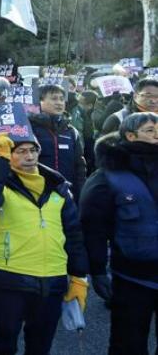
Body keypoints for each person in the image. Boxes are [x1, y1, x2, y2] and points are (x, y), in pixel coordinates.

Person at [0, 134, 89, 355]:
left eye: (33, 150)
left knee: (40, 345)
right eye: (20, 151)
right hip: (11, 277)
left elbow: (73, 235)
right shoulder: (1, 186)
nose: (29, 156)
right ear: (9, 154)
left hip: (53, 280)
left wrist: (79, 277)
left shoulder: (58, 188)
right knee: (3, 344)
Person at [80, 112, 158, 355]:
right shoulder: (107, 177)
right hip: (132, 277)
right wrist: (97, 270)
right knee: (128, 344)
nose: (157, 136)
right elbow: (92, 228)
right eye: (150, 131)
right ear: (130, 135)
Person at [28, 84, 87, 199]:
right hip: (38, 193)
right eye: (54, 98)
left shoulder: (71, 131)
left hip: (67, 193)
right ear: (40, 101)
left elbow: (79, 165)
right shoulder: (30, 129)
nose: (59, 103)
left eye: (61, 99)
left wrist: (81, 192)